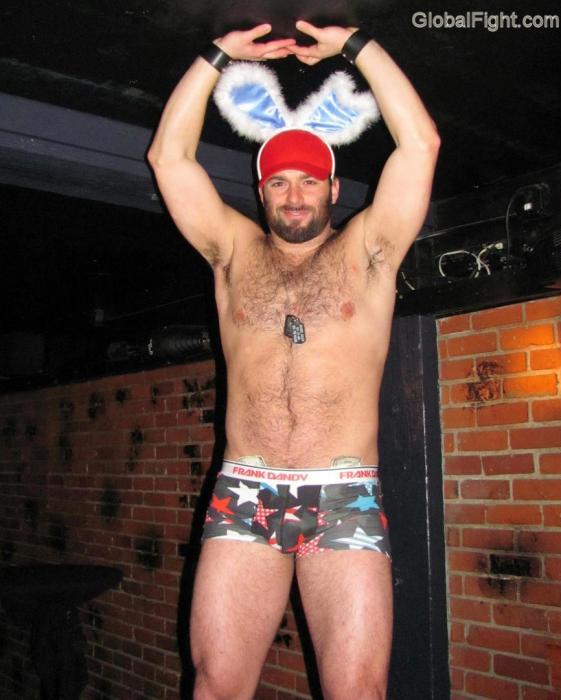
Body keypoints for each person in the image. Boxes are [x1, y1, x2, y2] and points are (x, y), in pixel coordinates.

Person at [148, 19, 440, 700]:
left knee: (357, 691)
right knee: (216, 686)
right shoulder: (234, 251)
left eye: (309, 180)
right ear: (261, 192)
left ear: (334, 189)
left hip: (343, 496)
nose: (295, 195)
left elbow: (421, 143)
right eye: (278, 182)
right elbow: (168, 158)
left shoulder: (369, 251)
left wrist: (359, 47)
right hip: (243, 493)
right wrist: (218, 56)